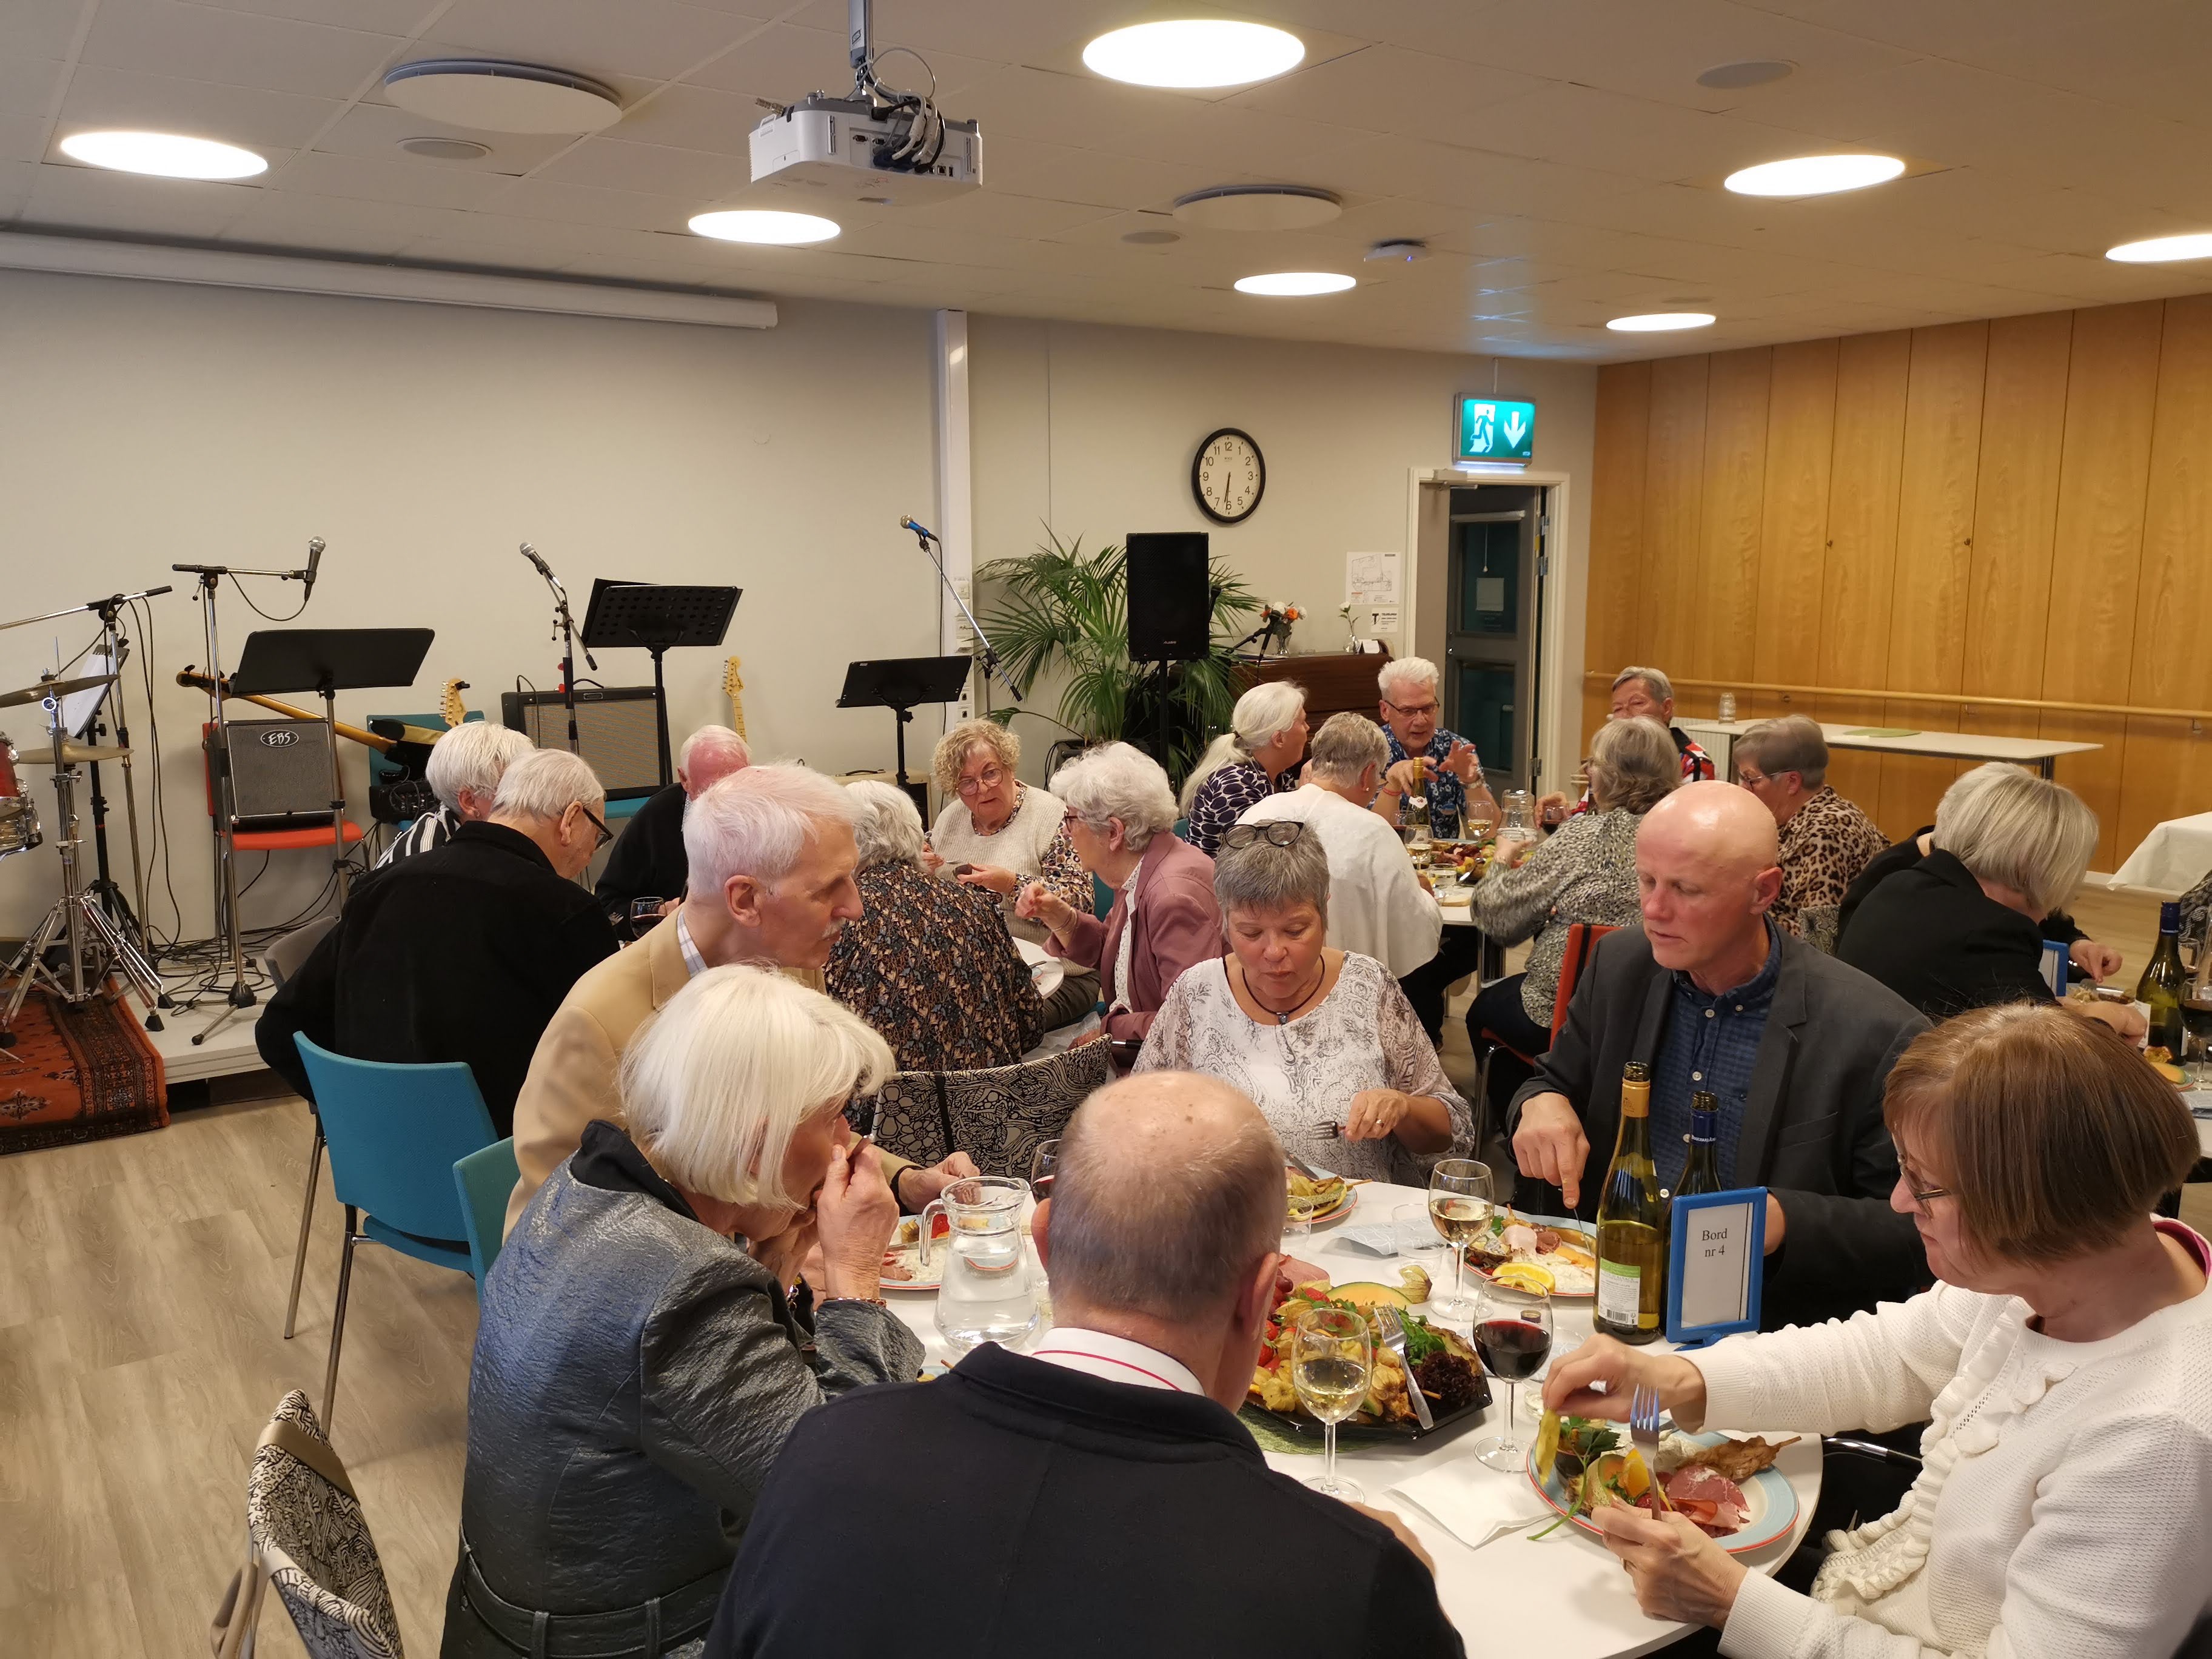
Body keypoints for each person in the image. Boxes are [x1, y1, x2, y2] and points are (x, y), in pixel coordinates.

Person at [705, 1071, 1464, 1659]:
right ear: (1262, 1296)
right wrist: (1379, 1578)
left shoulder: (820, 1451)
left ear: (1041, 1241)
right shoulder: (1346, 1584)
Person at [1544, 1003, 2211, 1659]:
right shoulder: (2083, 1256)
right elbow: (1886, 1357)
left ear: (2031, 1205)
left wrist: (1727, 1601)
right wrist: (1674, 1379)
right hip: (1858, 1600)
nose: (1897, 1201)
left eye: (1924, 1184)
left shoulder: (2157, 1443)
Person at [444, 967, 926, 1659]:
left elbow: (693, 1403)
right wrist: (854, 1275)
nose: (848, 1140)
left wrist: (774, 1263)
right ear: (756, 1142)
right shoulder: (685, 1286)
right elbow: (846, 1486)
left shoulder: (581, 1188)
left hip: (510, 1615)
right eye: (833, 1118)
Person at [1510, 780, 1930, 1329]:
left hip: (1760, 1332)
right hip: (1603, 1294)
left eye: (1686, 890)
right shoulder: (1621, 966)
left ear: (1764, 892)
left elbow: (1915, 1230)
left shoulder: (1872, 1032)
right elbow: (1552, 1083)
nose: (1653, 909)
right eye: (1647, 880)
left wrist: (1783, 1219)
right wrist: (1541, 1103)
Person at [506, 763, 971, 1233]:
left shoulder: (791, 964)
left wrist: (902, 1180)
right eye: (828, 888)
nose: (855, 907)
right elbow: (547, 1233)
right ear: (745, 900)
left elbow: (795, 1131)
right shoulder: (598, 1023)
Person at [258, 748, 616, 1136]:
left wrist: (356, 1121)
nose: (590, 854)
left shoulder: (379, 886)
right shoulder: (566, 910)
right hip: (506, 1158)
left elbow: (278, 1030)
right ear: (571, 820)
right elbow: (609, 1060)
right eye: (597, 836)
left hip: (382, 1155)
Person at [1137, 828, 1471, 1182]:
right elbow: (1141, 1117)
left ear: (1324, 912)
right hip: (1232, 1210)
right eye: (1251, 933)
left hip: (1360, 1213)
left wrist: (1402, 1107)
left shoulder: (1367, 985)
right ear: (1225, 921)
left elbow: (1450, 1132)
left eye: (1295, 930)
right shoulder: (1197, 994)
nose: (1274, 952)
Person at [1839, 763, 2147, 1037]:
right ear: (2039, 867)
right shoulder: (1989, 931)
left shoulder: (1901, 883)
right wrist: (2105, 1020)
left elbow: (2011, 1008)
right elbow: (2050, 1057)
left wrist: (2069, 1010)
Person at [1464, 714, 1675, 1088]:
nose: (1589, 771)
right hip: (1662, 1018)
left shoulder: (1586, 834)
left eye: (1594, 764)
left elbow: (1497, 916)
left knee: (1482, 1008)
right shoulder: (1684, 835)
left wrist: (1502, 858)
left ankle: (1528, 1109)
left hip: (1565, 1014)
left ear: (1608, 775)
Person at [824, 780, 1042, 1072]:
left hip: (893, 1099)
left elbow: (825, 1054)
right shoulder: (975, 904)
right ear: (915, 833)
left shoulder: (838, 921)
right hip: (988, 1095)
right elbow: (1029, 1024)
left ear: (845, 844)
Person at [1015, 742, 1221, 1048]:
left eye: (1071, 820)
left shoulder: (1173, 898)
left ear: (1113, 832)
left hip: (1165, 1066)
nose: (1066, 832)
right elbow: (1117, 953)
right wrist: (1060, 916)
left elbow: (1189, 1022)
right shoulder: (1142, 865)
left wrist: (1107, 1031)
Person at [1235, 712, 1440, 982]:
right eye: (1378, 777)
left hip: (1258, 983)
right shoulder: (1373, 832)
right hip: (1348, 989)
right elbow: (1414, 933)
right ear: (1367, 775)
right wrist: (1423, 895)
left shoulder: (1255, 816)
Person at [925, 717, 1098, 1027]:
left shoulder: (1052, 816)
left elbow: (1081, 901)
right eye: (967, 782)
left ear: (1009, 767)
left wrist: (1013, 885)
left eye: (990, 773)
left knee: (981, 1027)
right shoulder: (950, 820)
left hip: (1059, 972)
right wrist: (920, 864)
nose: (982, 788)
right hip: (979, 972)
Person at [1731, 714, 1886, 940]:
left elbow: (1817, 937)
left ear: (1792, 782)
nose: (1743, 789)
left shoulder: (1826, 833)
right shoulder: (1792, 817)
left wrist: (1740, 911)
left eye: (1751, 780)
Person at [593, 723, 750, 934]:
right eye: (711, 792)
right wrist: (661, 911)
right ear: (684, 779)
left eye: (737, 787)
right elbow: (608, 905)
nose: (726, 801)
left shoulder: (767, 810)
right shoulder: (658, 815)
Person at [1538, 664, 1717, 822]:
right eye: (1618, 709)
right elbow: (1587, 815)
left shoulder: (1694, 761)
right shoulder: (1608, 758)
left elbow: (1682, 826)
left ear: (1666, 708)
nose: (1626, 715)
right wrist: (1563, 816)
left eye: (1637, 703)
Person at [374, 718, 535, 867]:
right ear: (470, 802)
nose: (530, 797)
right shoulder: (430, 864)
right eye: (514, 789)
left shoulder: (476, 827)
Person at [1369, 655, 1498, 841]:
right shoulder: (1369, 752)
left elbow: (1492, 833)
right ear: (1385, 711)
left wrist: (1471, 781)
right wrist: (1393, 784)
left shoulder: (1454, 749)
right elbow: (1370, 837)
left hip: (1446, 859)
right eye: (1408, 711)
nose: (1421, 721)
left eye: (1428, 708)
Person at [1180, 680, 1307, 855]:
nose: (1308, 728)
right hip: (1220, 873)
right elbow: (1266, 858)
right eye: (1303, 722)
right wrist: (1305, 799)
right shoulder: (1234, 785)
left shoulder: (1281, 775)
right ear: (1279, 739)